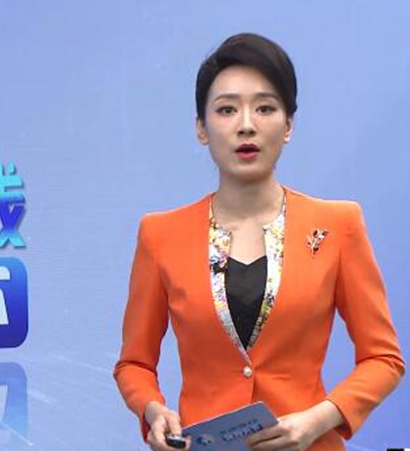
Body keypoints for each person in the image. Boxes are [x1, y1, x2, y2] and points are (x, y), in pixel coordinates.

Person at [113, 33, 405, 451]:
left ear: (288, 126)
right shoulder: (159, 234)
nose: (246, 124)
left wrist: (317, 420)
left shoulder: (338, 225)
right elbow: (134, 364)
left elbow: (383, 359)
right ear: (201, 128)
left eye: (265, 108)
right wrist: (153, 410)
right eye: (226, 109)